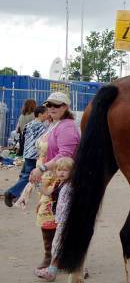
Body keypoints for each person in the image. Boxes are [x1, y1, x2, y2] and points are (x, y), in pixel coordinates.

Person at [29, 91, 80, 270]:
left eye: (56, 105)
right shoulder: (53, 124)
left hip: (59, 178)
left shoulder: (67, 127)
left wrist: (42, 168)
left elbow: (64, 155)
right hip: (48, 176)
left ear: (65, 107)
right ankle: (52, 255)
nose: (51, 108)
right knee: (49, 217)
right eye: (49, 105)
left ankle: (64, 258)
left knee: (61, 218)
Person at [33, 157, 74, 281]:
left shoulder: (72, 185)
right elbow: (47, 192)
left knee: (59, 244)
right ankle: (76, 269)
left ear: (72, 172)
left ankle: (52, 271)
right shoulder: (58, 184)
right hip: (60, 220)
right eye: (59, 170)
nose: (61, 173)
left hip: (68, 220)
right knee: (64, 244)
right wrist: (37, 184)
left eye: (65, 170)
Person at [4, 106, 48, 207]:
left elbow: (23, 139)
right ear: (40, 114)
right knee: (28, 177)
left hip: (27, 153)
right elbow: (43, 140)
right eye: (46, 113)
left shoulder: (29, 124)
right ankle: (11, 193)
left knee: (23, 175)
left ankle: (16, 194)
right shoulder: (41, 127)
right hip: (34, 155)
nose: (47, 115)